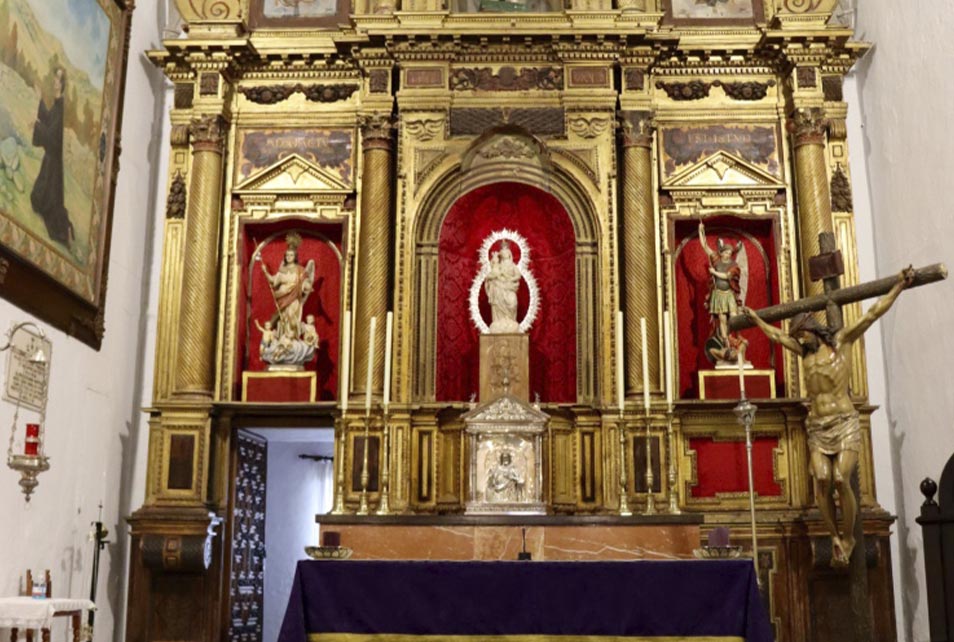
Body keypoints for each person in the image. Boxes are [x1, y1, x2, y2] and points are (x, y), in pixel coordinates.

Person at [742, 266, 915, 567]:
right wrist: (756, 318)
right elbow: (775, 336)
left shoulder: (842, 342)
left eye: (801, 333)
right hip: (818, 427)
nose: (798, 339)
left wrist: (898, 285)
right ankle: (835, 535)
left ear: (811, 328)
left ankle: (848, 537)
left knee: (839, 478)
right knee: (821, 479)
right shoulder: (803, 352)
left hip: (844, 422)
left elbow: (872, 313)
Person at [31, 67, 73, 247]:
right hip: (50, 161)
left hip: (52, 165)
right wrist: (39, 98)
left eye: (59, 79)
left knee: (48, 208)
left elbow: (52, 138)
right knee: (36, 200)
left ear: (62, 85)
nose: (55, 81)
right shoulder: (57, 104)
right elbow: (48, 119)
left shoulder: (61, 107)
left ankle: (64, 230)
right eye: (55, 77)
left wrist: (36, 125)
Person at [259, 233, 316, 342]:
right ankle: (284, 338)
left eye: (291, 255)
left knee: (292, 317)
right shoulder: (282, 271)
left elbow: (304, 283)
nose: (289, 257)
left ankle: (294, 339)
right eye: (287, 255)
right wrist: (265, 271)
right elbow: (273, 281)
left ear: (295, 257)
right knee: (283, 319)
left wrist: (307, 286)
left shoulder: (300, 270)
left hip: (294, 298)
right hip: (282, 298)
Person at [698, 222, 743, 344]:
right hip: (718, 294)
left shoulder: (733, 265)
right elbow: (705, 246)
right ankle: (725, 342)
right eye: (726, 253)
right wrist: (700, 231)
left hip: (728, 294)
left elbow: (727, 276)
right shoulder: (716, 260)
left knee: (734, 317)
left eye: (730, 253)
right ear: (722, 253)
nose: (728, 255)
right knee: (722, 318)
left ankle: (734, 337)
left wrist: (714, 272)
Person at [484, 240, 522, 334]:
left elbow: (518, 275)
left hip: (510, 287)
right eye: (503, 253)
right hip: (499, 288)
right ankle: (499, 322)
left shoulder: (513, 265)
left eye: (506, 253)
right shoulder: (498, 265)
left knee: (513, 302)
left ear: (509, 254)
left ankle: (510, 321)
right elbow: (492, 275)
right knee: (497, 302)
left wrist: (510, 278)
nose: (505, 254)